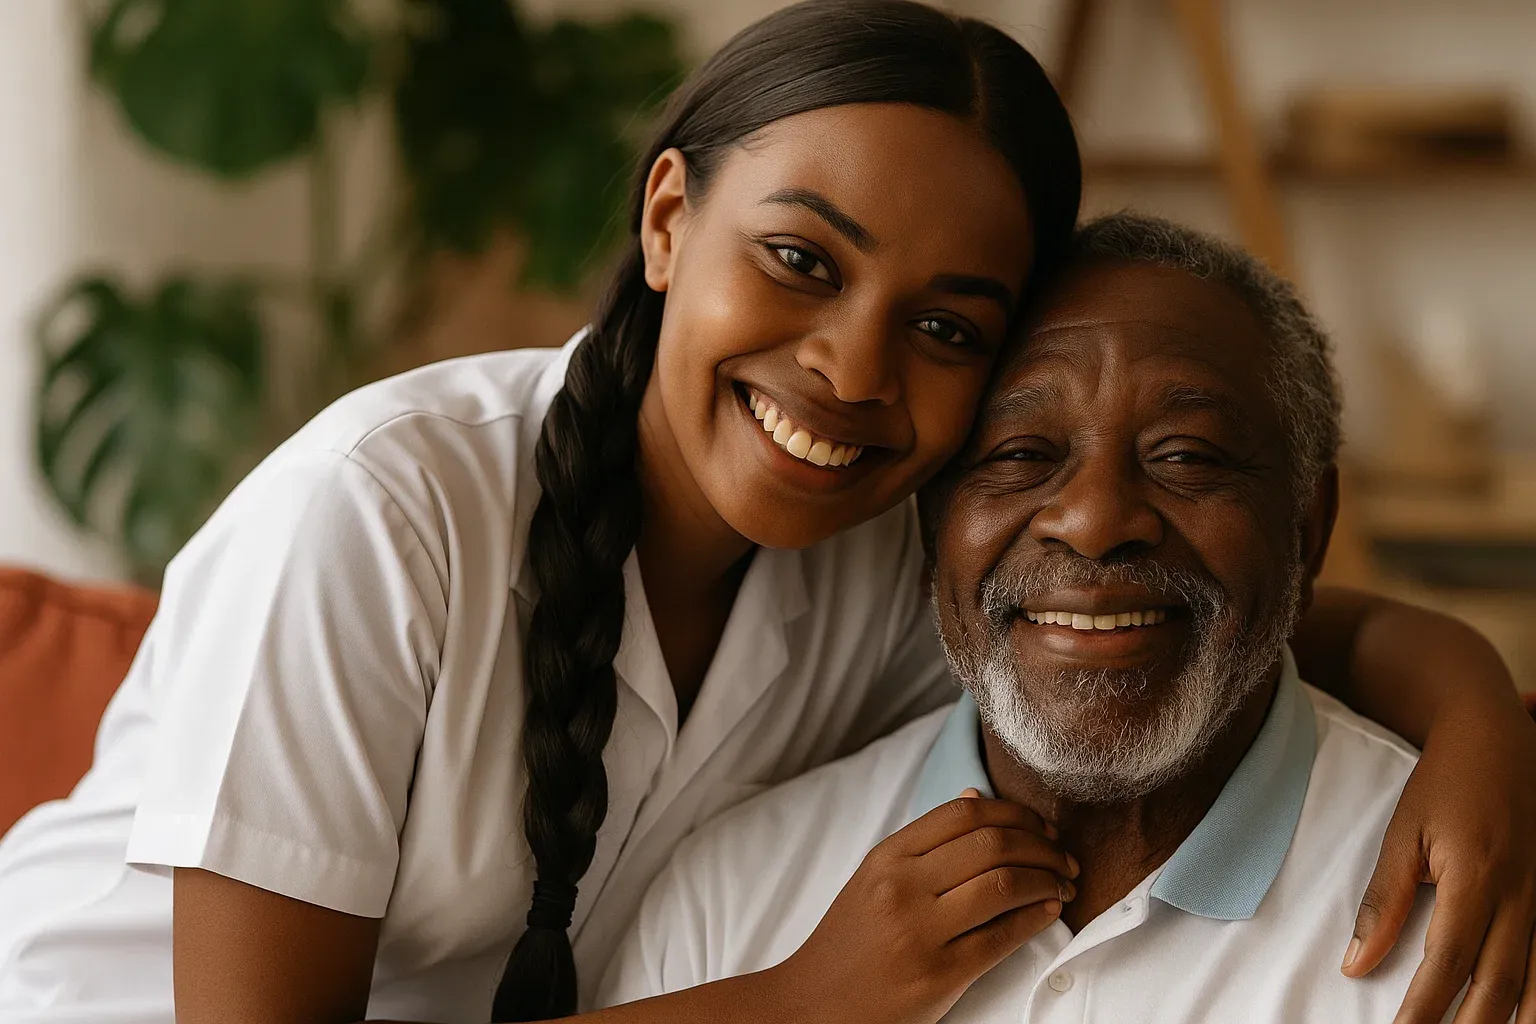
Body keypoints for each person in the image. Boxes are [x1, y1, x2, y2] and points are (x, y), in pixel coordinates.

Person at [0, 4, 1532, 1024]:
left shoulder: (872, 561)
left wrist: (1475, 714)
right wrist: (806, 1000)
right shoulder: (388, 512)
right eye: (802, 260)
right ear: (668, 218)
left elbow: (1191, 590)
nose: (850, 368)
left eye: (944, 328)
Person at [594, 213, 1497, 1023]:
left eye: (1184, 456)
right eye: (1020, 453)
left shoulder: (1474, 911)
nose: (1096, 523)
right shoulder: (730, 902)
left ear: (1306, 530)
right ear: (933, 528)